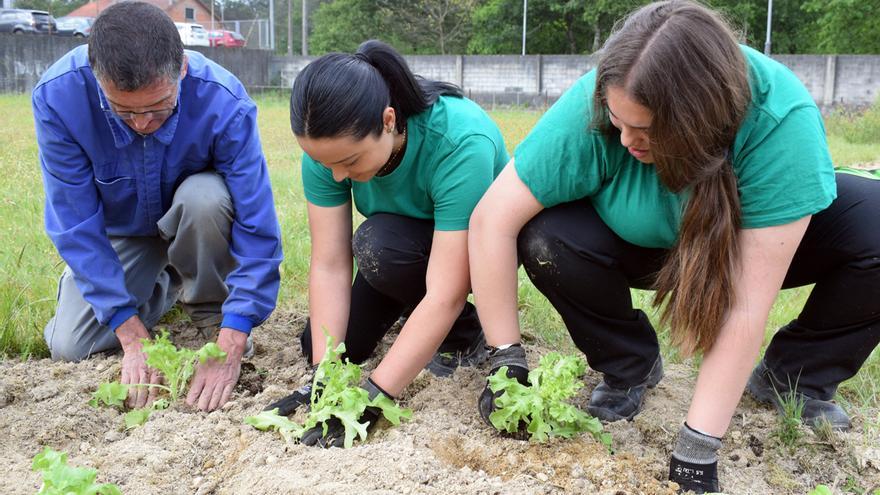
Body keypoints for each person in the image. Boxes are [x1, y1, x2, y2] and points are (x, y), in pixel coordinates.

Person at [469, 1, 879, 493]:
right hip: (639, 245)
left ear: (697, 121)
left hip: (740, 239)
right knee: (545, 237)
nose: (624, 141)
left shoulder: (778, 117)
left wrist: (697, 451)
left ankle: (794, 377)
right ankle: (629, 367)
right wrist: (505, 359)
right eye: (617, 123)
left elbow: (746, 304)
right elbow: (491, 220)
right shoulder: (602, 99)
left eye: (643, 132)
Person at [33, 2, 283, 412]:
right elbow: (75, 224)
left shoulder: (223, 100)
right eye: (124, 111)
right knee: (70, 345)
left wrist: (236, 334)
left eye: (159, 106)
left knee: (205, 196)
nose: (143, 123)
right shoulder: (59, 97)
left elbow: (258, 225)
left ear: (181, 69)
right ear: (98, 82)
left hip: (197, 224)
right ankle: (165, 283)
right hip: (126, 232)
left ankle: (210, 310)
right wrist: (130, 335)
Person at [266, 40, 508, 447]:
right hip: (399, 249)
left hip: (473, 254)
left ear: (389, 119)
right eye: (327, 165)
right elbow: (329, 264)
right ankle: (409, 314)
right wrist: (324, 375)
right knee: (324, 343)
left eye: (350, 162)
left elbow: (445, 291)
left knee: (377, 244)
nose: (337, 176)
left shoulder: (461, 141)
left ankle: (466, 334)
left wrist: (376, 396)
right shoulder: (329, 149)